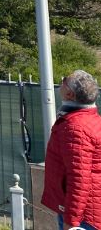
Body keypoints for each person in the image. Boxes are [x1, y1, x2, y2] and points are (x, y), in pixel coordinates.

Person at [42, 70, 101, 230]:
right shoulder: (90, 119)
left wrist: (71, 221)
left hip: (84, 217)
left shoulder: (75, 127)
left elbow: (79, 178)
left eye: (64, 80)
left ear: (70, 94)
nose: (61, 81)